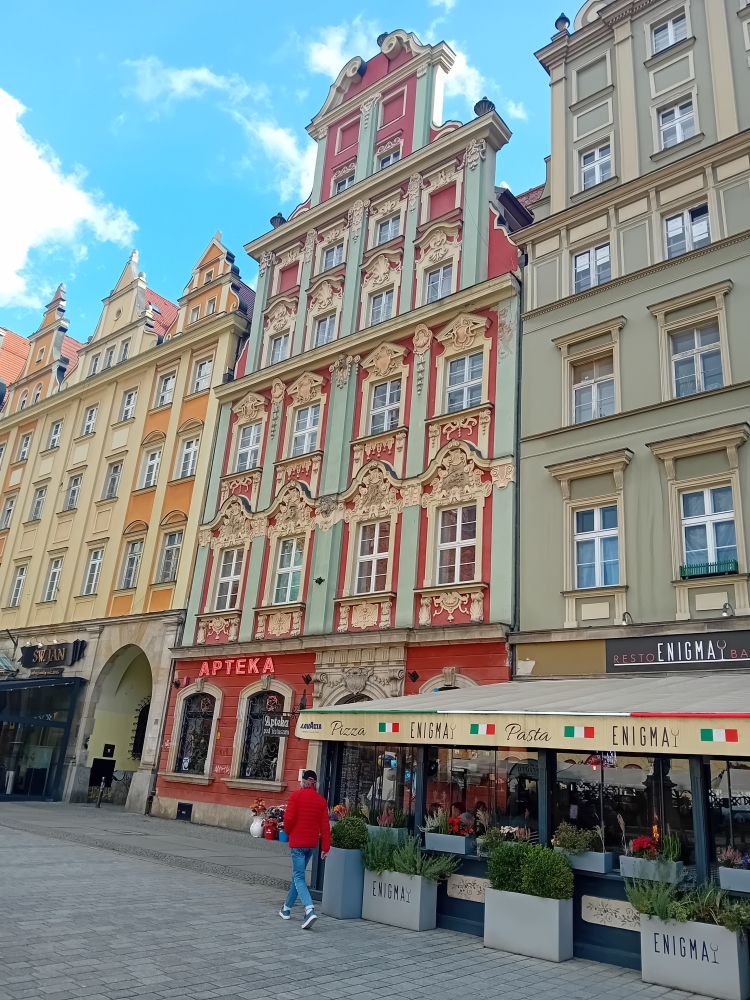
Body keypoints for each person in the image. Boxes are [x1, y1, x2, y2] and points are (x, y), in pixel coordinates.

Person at [279, 769, 330, 929]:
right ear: (315, 783)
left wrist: (288, 832)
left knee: (299, 877)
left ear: (303, 781)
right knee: (298, 875)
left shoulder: (296, 796)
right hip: (311, 844)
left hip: (298, 843)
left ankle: (309, 910)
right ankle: (286, 909)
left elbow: (288, 819)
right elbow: (325, 826)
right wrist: (325, 847)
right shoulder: (321, 801)